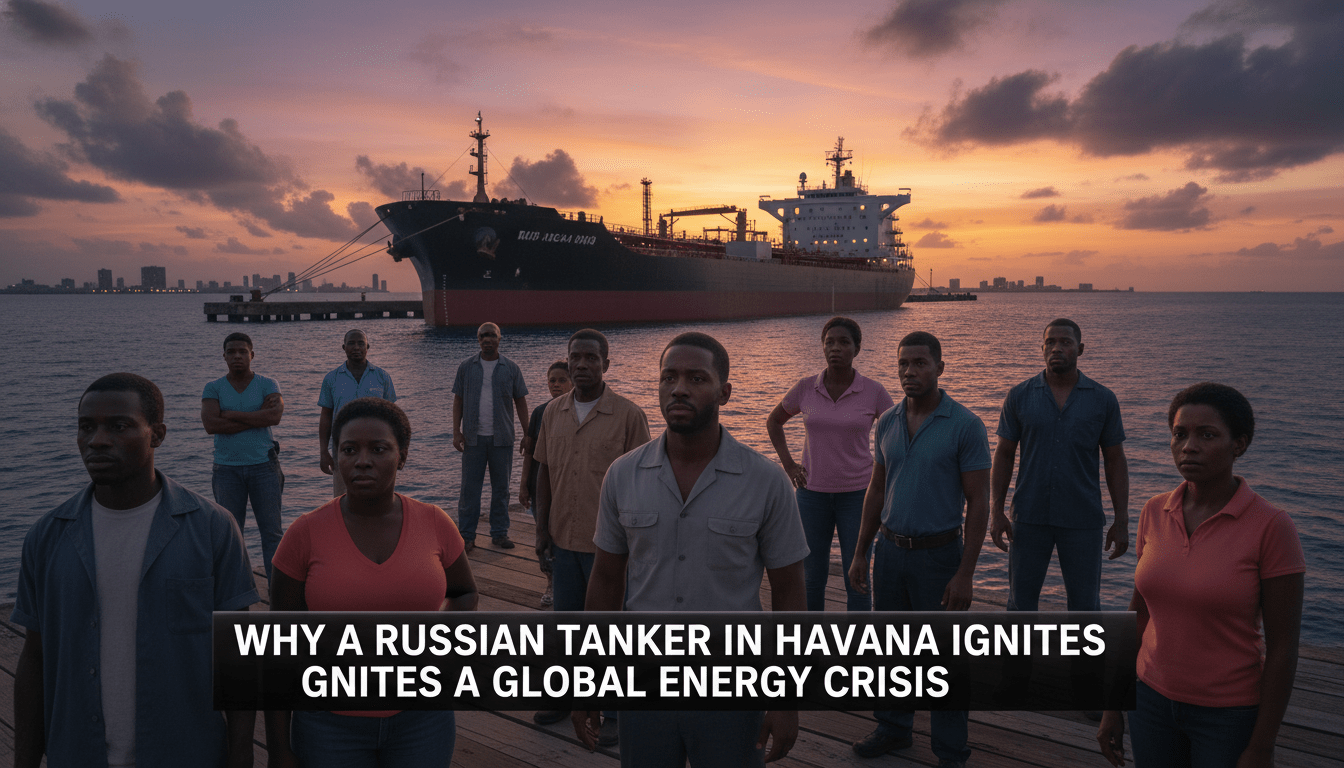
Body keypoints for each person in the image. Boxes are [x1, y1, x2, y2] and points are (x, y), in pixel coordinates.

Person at [576, 332, 809, 767]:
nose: (679, 387)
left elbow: (790, 594)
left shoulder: (765, 482)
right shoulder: (623, 476)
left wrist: (785, 697)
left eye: (696, 378)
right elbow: (606, 581)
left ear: (724, 392)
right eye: (669, 377)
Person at [13, 373, 259, 768]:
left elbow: (238, 656)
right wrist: (24, 759)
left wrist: (241, 754)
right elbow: (35, 658)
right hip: (79, 752)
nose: (97, 440)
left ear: (157, 434)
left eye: (119, 426)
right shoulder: (46, 537)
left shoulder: (211, 528)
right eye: (86, 427)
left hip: (185, 752)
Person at [1098, 383, 1304, 768]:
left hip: (1226, 713)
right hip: (1150, 701)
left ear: (1238, 445)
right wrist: (1114, 704)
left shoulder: (1272, 527)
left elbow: (1283, 648)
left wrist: (1262, 746)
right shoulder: (1155, 511)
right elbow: (1139, 614)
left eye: (1207, 435)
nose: (1189, 446)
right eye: (1180, 434)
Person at [266, 398, 479, 768]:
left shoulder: (434, 523)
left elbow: (464, 592)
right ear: (336, 457)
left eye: (378, 449)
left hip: (423, 719)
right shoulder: (304, 534)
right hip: (327, 724)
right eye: (349, 449)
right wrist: (279, 749)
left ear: (402, 455)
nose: (362, 460)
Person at [848, 331, 990, 768]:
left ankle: (950, 751)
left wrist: (965, 573)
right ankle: (893, 728)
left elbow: (979, 503)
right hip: (890, 553)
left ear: (940, 368)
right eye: (904, 363)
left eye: (920, 363)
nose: (910, 371)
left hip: (938, 556)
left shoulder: (965, 425)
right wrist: (860, 552)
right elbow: (876, 490)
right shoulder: (887, 421)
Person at [531, 329, 650, 739]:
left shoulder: (629, 416)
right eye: (575, 358)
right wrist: (541, 528)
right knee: (567, 626)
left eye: (591, 358)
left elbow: (644, 485)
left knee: (612, 632)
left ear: (606, 364)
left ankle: (615, 710)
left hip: (611, 547)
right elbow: (544, 471)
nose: (582, 365)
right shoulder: (552, 413)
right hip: (563, 537)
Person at [990, 318, 1129, 614]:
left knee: (1085, 605)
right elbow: (1003, 454)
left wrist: (1122, 519)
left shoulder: (1103, 400)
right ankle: (1017, 660)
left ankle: (1085, 662)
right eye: (1050, 342)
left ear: (1080, 349)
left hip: (1083, 518)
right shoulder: (1020, 396)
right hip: (1028, 517)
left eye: (1065, 342)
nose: (1057, 348)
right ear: (1041, 349)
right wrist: (996, 510)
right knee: (1020, 604)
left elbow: (1115, 460)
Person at [767, 316, 893, 612]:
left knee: (857, 575)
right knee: (811, 576)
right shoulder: (806, 388)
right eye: (829, 342)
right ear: (822, 347)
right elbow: (774, 421)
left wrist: (885, 475)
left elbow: (898, 431)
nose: (835, 348)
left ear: (857, 348)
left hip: (858, 496)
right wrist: (789, 466)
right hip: (811, 495)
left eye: (844, 342)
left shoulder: (873, 391)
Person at [201, 331, 285, 580]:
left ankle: (277, 593)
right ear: (224, 356)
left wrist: (228, 414)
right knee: (230, 533)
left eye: (242, 351)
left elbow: (274, 417)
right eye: (231, 352)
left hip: (264, 467)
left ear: (252, 355)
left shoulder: (268, 384)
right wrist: (256, 417)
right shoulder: (213, 387)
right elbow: (211, 425)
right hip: (226, 470)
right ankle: (237, 591)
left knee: (272, 533)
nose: (237, 356)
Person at [452, 321, 529, 551]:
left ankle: (499, 533)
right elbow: (458, 400)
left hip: (502, 439)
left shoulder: (511, 368)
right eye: (483, 336)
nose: (488, 339)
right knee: (469, 490)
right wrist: (456, 431)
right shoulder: (466, 367)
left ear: (499, 338)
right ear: (478, 340)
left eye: (492, 335)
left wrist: (527, 433)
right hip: (473, 440)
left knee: (501, 489)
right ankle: (466, 536)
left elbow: (521, 401)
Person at [318, 328, 397, 496]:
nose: (356, 347)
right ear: (343, 347)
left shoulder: (382, 377)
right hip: (344, 446)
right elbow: (326, 416)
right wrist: (323, 451)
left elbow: (393, 416)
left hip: (378, 446)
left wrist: (397, 449)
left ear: (368, 346)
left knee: (378, 493)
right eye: (351, 343)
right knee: (342, 496)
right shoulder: (331, 378)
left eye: (361, 343)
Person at [520, 360, 573, 606]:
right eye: (552, 381)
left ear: (572, 382)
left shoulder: (575, 412)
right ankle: (551, 584)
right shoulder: (540, 412)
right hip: (540, 486)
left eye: (562, 380)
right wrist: (523, 484)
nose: (556, 385)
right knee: (545, 538)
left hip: (566, 488)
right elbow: (529, 451)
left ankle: (569, 585)